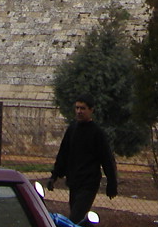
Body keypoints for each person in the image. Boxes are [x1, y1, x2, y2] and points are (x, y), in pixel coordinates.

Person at [48, 96, 118, 224]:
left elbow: (107, 159)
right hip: (74, 181)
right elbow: (63, 153)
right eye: (77, 108)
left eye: (83, 108)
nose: (79, 111)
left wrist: (112, 183)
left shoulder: (97, 133)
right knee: (77, 219)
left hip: (88, 183)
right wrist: (54, 175)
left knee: (75, 218)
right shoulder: (72, 129)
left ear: (91, 110)